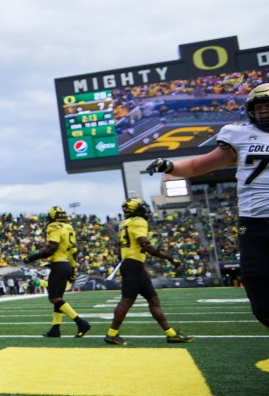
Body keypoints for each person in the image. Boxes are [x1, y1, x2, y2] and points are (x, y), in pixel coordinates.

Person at [146, 83, 269, 331]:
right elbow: (197, 166)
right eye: (260, 107)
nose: (264, 112)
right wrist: (169, 166)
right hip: (254, 224)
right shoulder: (239, 134)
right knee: (260, 294)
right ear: (250, 111)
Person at [102, 198, 194, 345]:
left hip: (132, 264)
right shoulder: (139, 221)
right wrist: (169, 258)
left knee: (153, 300)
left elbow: (119, 248)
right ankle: (112, 334)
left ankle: (171, 334)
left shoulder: (124, 223)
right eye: (142, 207)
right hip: (134, 265)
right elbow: (144, 244)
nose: (145, 210)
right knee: (126, 301)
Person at [24, 207, 91, 338]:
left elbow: (52, 247)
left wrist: (31, 257)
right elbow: (73, 251)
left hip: (59, 265)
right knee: (58, 299)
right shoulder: (68, 227)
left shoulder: (54, 226)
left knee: (54, 298)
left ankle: (80, 322)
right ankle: (55, 329)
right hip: (66, 263)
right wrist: (72, 269)